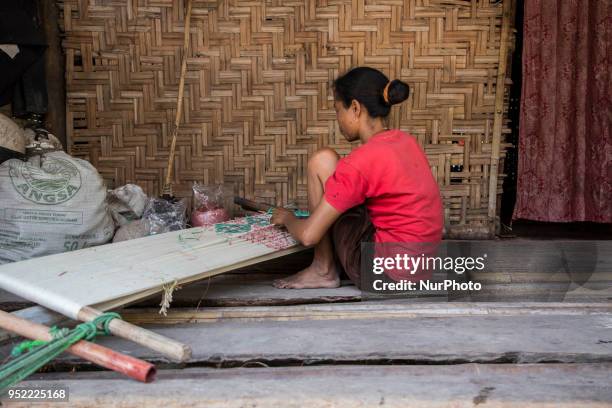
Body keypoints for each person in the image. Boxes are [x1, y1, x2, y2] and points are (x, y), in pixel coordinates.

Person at [270, 67, 443, 289]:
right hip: (421, 270)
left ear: (355, 108)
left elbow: (308, 236)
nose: (338, 119)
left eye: (337, 110)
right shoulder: (406, 142)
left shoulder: (361, 161)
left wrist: (287, 218)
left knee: (321, 160)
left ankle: (322, 270)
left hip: (385, 274)